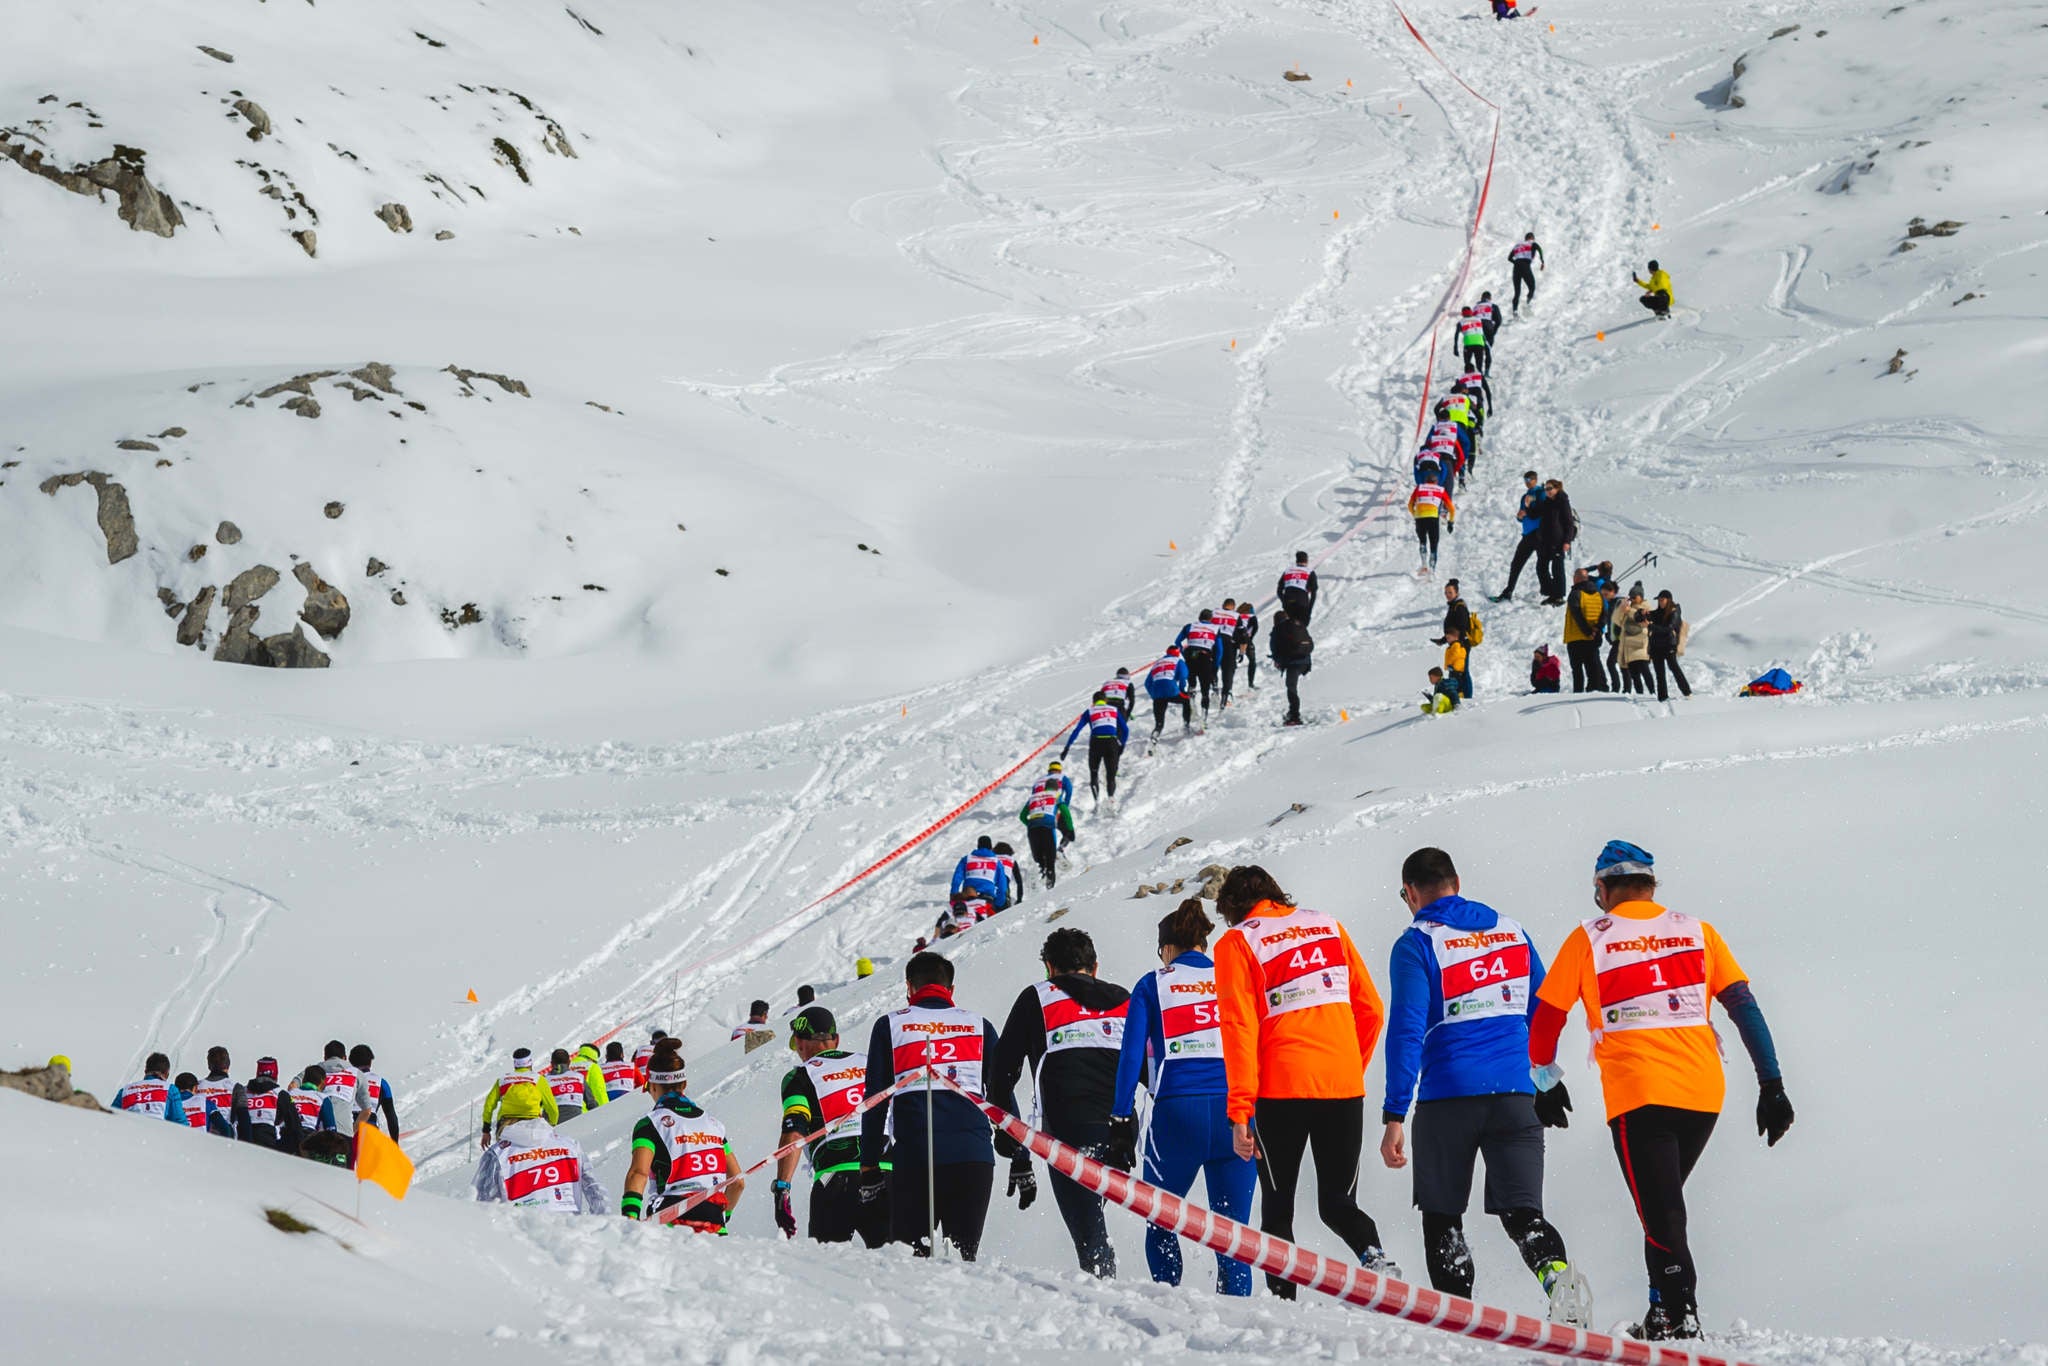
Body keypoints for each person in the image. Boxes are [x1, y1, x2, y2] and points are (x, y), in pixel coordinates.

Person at [1529, 841, 1794, 1340]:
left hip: (1640, 1095)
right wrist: (1771, 1084)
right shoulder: (1697, 931)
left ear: (1603, 889)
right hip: (1701, 1095)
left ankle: (1680, 1317)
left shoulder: (1590, 938)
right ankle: (1661, 1311)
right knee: (1660, 1207)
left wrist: (1542, 1076)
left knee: (1662, 1213)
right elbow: (1744, 1006)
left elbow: (1547, 1016)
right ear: (1651, 887)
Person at [1379, 848, 1592, 1323]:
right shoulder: (1510, 931)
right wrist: (1546, 1078)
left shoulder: (1416, 943)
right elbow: (1543, 1011)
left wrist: (1394, 1114)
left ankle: (1458, 1321)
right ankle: (1560, 1283)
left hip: (1447, 1098)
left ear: (1410, 893)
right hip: (1517, 1093)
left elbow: (1407, 1030)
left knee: (1442, 1217)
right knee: (1524, 1217)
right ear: (1457, 880)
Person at [1213, 866, 1398, 1296]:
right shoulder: (1326, 924)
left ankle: (1283, 1310)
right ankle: (1376, 1260)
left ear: (1233, 910)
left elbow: (1239, 1028)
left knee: (1278, 1211)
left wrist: (1240, 1111)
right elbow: (1370, 1009)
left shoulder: (1238, 941)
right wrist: (1349, 1065)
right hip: (1343, 1086)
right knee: (1338, 1204)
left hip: (1282, 1091)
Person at [1109, 899, 1255, 1295]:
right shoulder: (1235, 975)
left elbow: (1130, 1057)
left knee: (1161, 1220)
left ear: (1168, 949)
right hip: (1237, 1115)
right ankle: (1239, 1330)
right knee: (1234, 1236)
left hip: (1178, 1113)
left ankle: (1168, 1307)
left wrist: (1121, 1117)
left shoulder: (1152, 982)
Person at [991, 929, 1131, 1278]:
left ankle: (1108, 1303)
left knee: (1089, 1237)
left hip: (1068, 1131)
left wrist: (1009, 1134)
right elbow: (1148, 1068)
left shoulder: (1037, 997)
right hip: (1121, 1131)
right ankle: (1109, 1287)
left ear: (1049, 967)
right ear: (1094, 967)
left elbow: (1001, 1073)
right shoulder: (1123, 998)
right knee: (1093, 1223)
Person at [860, 952, 1010, 1260]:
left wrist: (870, 1164)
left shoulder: (891, 1025)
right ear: (950, 989)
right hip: (974, 1158)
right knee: (964, 1260)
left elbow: (875, 1100)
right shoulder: (979, 1025)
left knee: (912, 1263)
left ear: (909, 988)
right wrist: (1020, 1156)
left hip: (916, 1159)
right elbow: (1002, 1097)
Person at [775, 1005, 891, 1247]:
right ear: (835, 1039)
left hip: (835, 1179)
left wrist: (782, 1188)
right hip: (888, 1175)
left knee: (825, 1275)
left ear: (798, 1042)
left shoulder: (799, 1076)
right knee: (902, 1270)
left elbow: (795, 1130)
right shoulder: (871, 1063)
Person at [623, 1044, 745, 1232]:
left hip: (670, 1218)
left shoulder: (650, 1124)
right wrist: (723, 1215)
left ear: (653, 1086)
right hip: (713, 1219)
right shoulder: (713, 1124)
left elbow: (638, 1173)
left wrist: (628, 1221)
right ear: (684, 1085)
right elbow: (737, 1181)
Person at [476, 1114, 609, 1213]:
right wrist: (603, 1221)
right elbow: (594, 1188)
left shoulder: (497, 1153)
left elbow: (482, 1202)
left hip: (523, 1233)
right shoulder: (569, 1144)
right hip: (570, 1229)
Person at [480, 1048, 558, 1146]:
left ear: (515, 1064)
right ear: (530, 1063)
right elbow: (552, 1108)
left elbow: (488, 1105)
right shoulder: (538, 1079)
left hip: (506, 1125)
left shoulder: (503, 1080)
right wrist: (552, 1125)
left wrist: (486, 1131)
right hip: (533, 1124)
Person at [1019, 760, 1076, 889]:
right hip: (1048, 824)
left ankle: (1039, 877)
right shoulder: (1056, 793)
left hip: (1033, 827)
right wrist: (1070, 828)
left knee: (1040, 861)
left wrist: (1030, 824)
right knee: (1051, 862)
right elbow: (1066, 811)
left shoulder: (1034, 794)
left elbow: (1022, 816)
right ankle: (1059, 851)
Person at [1064, 691, 1129, 802]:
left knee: (1094, 774)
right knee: (1111, 776)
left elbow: (1077, 730)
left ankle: (1096, 802)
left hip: (1096, 743)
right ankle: (1111, 799)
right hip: (1111, 742)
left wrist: (1067, 747)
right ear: (1106, 700)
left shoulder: (1089, 711)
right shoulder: (1114, 710)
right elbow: (1125, 730)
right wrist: (1121, 744)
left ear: (1093, 702)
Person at [232, 1056, 305, 1151]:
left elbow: (231, 1118)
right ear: (275, 1075)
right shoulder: (280, 1094)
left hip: (241, 1145)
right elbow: (295, 1128)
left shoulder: (242, 1092)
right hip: (270, 1148)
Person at [1493, 472, 1546, 602]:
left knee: (1542, 565)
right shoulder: (1525, 496)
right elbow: (1522, 516)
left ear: (1535, 479)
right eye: (1525, 479)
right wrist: (1519, 516)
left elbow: (1541, 511)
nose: (1527, 482)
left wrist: (1527, 511)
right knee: (1516, 563)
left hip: (1539, 532)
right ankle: (1509, 590)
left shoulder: (1540, 493)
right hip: (1527, 533)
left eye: (1530, 479)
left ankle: (1548, 593)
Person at [1175, 610, 1225, 721]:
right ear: (1211, 619)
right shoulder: (1215, 628)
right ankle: (1204, 716)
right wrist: (1215, 664)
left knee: (1191, 684)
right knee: (1205, 689)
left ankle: (1192, 708)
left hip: (1191, 657)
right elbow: (1220, 649)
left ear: (1199, 618)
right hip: (1205, 658)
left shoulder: (1189, 626)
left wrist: (1184, 654)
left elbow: (1177, 642)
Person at [1563, 570, 1607, 693]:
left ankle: (1578, 694)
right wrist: (1597, 630)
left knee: (1577, 670)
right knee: (1592, 669)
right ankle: (1593, 695)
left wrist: (1587, 631)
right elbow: (1604, 614)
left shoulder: (1575, 593)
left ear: (1576, 579)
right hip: (1592, 639)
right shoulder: (1598, 595)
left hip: (1575, 638)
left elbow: (1577, 615)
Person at [113, 1053, 189, 1124]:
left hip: (130, 1135)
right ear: (166, 1074)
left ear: (145, 1070)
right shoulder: (170, 1089)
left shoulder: (125, 1090)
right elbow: (180, 1122)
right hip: (158, 1135)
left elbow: (112, 1117)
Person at [319, 1039, 372, 1137]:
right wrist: (352, 1130)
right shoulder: (357, 1074)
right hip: (344, 1134)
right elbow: (367, 1111)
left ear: (325, 1057)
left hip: (319, 1134)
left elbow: (292, 1086)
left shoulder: (314, 1070)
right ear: (345, 1057)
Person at [349, 1044, 402, 1136]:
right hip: (369, 1127)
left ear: (351, 1062)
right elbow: (391, 1116)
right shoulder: (381, 1082)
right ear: (370, 1062)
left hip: (347, 1127)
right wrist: (395, 1144)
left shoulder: (345, 1080)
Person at [1647, 592, 1691, 701]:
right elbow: (1641, 617)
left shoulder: (1674, 612)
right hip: (1656, 645)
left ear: (1669, 600)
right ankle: (1662, 697)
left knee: (1674, 668)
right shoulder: (1657, 612)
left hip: (1669, 645)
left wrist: (1650, 626)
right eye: (1659, 600)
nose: (1660, 602)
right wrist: (1641, 613)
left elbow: (1668, 628)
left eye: (1662, 600)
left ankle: (1687, 691)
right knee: (1659, 672)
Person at [1536, 480, 1574, 604]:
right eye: (1546, 489)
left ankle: (1558, 596)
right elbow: (1537, 513)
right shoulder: (1547, 502)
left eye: (1550, 488)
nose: (1547, 491)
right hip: (1545, 541)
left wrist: (1567, 541)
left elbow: (1569, 523)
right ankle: (1550, 592)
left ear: (1557, 488)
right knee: (1541, 567)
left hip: (1558, 541)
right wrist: (1527, 507)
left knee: (1557, 569)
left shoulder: (1562, 502)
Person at [1408, 475, 1455, 573]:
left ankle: (1424, 565)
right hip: (1433, 517)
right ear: (1436, 482)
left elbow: (1410, 505)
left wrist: (1415, 514)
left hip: (1420, 517)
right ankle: (1432, 570)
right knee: (1434, 544)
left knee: (1422, 541)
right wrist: (1450, 522)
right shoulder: (1440, 489)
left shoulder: (1419, 487)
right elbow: (1451, 508)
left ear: (1426, 481)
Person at [1144, 647, 1192, 738]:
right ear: (1177, 653)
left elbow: (1147, 683)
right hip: (1172, 691)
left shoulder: (1157, 663)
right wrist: (1182, 689)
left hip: (1157, 694)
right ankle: (1186, 725)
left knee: (1159, 723)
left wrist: (1153, 695)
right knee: (1186, 701)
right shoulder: (1178, 661)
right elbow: (1183, 675)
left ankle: (1155, 735)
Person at [951, 835, 1010, 909]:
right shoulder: (996, 862)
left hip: (969, 895)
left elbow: (957, 878)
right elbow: (1002, 885)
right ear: (991, 848)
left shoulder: (967, 859)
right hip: (987, 898)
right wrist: (999, 902)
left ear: (978, 846)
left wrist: (954, 894)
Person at [191, 1047, 238, 1137]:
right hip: (227, 1136)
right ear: (228, 1064)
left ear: (209, 1065)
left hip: (202, 1135)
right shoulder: (235, 1087)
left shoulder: (196, 1086)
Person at [289, 1065, 340, 1139]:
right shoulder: (323, 1098)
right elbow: (331, 1130)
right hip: (308, 1139)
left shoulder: (290, 1093)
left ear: (303, 1080)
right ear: (322, 1083)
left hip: (288, 1135)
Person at [1618, 590, 1653, 694]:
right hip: (1629, 644)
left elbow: (1642, 618)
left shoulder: (1645, 607)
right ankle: (1640, 693)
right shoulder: (1628, 608)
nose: (1632, 599)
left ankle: (1652, 692)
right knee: (1634, 673)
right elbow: (1620, 622)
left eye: (1634, 597)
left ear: (1641, 596)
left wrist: (1629, 611)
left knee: (1644, 670)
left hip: (1641, 644)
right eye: (1631, 597)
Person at [547, 1048, 592, 1123]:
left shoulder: (545, 1080)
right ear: (569, 1062)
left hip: (553, 1124)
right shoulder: (579, 1077)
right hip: (576, 1121)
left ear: (551, 1063)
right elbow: (591, 1103)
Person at [1212, 600, 1244, 706]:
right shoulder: (1235, 615)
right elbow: (1242, 634)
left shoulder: (1214, 612)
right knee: (1228, 669)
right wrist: (1242, 652)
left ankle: (1214, 687)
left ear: (1223, 605)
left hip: (1214, 642)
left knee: (1214, 665)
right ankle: (1227, 693)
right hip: (1228, 643)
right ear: (1233, 607)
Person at [1277, 551, 1318, 626]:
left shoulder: (1287, 571)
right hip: (1301, 602)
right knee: (1301, 628)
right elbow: (1314, 593)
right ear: (1306, 561)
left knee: (1289, 628)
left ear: (1296, 561)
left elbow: (1279, 591)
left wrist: (1284, 601)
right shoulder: (1310, 572)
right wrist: (1309, 610)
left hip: (1288, 601)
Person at [1509, 233, 1544, 313]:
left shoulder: (1517, 245)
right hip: (1525, 266)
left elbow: (1509, 258)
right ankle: (1527, 303)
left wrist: (1517, 263)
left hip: (1516, 268)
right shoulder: (1532, 243)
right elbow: (1540, 249)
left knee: (1517, 292)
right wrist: (1542, 261)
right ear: (1532, 238)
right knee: (1532, 286)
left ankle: (1515, 311)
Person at [1234, 596, 1260, 691]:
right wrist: (1249, 640)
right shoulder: (1252, 617)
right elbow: (1254, 629)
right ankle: (1251, 683)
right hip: (1246, 640)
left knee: (1231, 662)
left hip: (1234, 640)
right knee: (1252, 661)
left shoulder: (1236, 616)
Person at [1434, 581, 1471, 648]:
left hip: (1461, 645)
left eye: (1450, 592)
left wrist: (1458, 644)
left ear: (1456, 593)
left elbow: (1463, 628)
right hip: (1456, 644)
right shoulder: (1453, 605)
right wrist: (1443, 640)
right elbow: (1453, 629)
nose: (1447, 595)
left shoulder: (1460, 607)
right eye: (1446, 593)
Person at [1457, 307, 1490, 377]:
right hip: (1479, 343)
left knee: (1467, 363)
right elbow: (1485, 330)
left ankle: (1468, 377)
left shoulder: (1461, 322)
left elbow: (1456, 334)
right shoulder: (1478, 319)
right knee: (1479, 364)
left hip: (1468, 344)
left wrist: (1455, 347)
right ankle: (1480, 376)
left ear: (1462, 314)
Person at [993, 841, 1026, 907]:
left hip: (991, 886)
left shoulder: (992, 858)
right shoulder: (1011, 860)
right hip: (1004, 886)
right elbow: (1019, 882)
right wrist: (1019, 899)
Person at [1443, 629, 1472, 701]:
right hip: (1453, 670)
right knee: (1454, 684)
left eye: (1449, 638)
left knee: (1457, 685)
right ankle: (1455, 697)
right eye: (1447, 638)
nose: (1448, 640)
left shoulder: (1456, 645)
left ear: (1456, 637)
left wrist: (1450, 665)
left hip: (1456, 670)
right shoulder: (1453, 646)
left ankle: (1460, 697)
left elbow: (1456, 656)